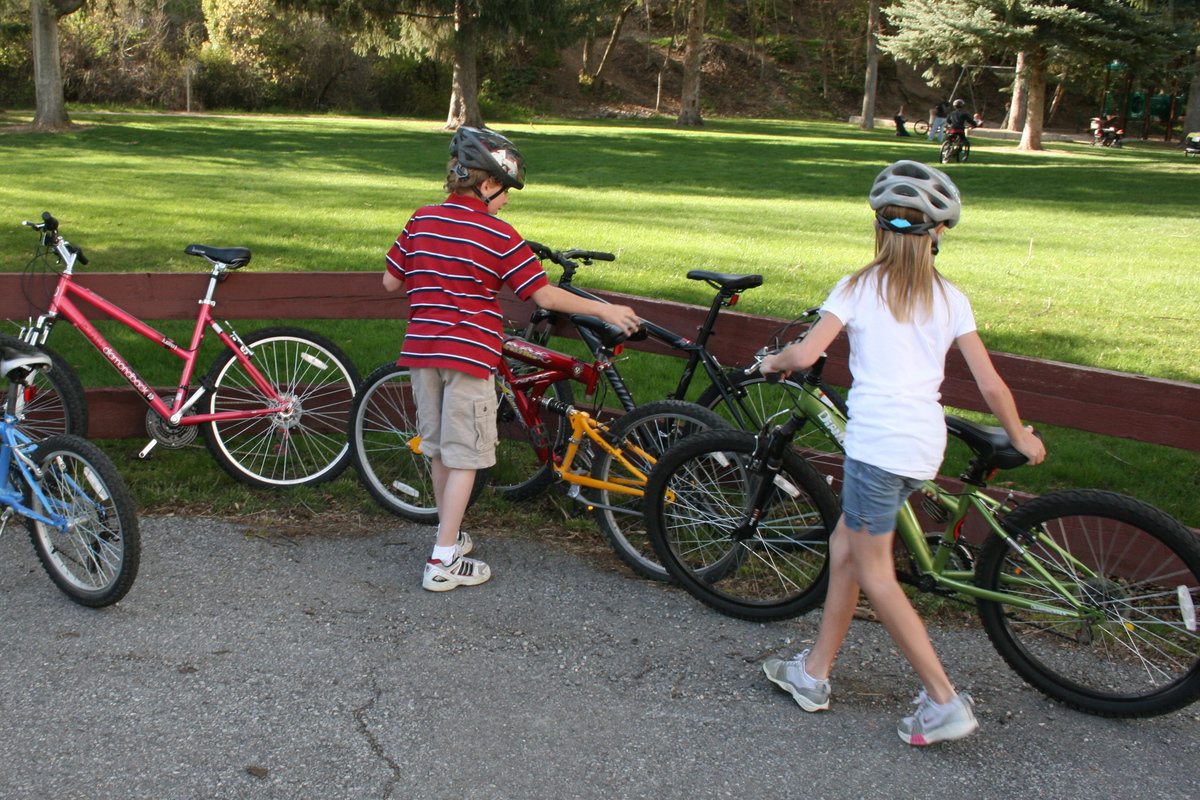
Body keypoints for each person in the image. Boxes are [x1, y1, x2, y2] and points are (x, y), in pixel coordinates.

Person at [757, 160, 1046, 746]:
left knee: (876, 572)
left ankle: (943, 702)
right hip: (921, 446)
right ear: (937, 234)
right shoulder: (950, 297)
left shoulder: (858, 287)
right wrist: (1021, 436)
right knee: (847, 548)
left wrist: (772, 362)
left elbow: (808, 354)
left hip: (877, 450)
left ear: (879, 229)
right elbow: (990, 384)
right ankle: (813, 673)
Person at [383, 127, 641, 592]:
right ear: (485, 184)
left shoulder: (420, 220)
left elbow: (389, 282)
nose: (505, 201)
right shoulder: (498, 234)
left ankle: (450, 535)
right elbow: (542, 293)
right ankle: (442, 559)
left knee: (441, 448)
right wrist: (605, 309)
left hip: (422, 352)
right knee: (466, 457)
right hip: (470, 354)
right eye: (504, 191)